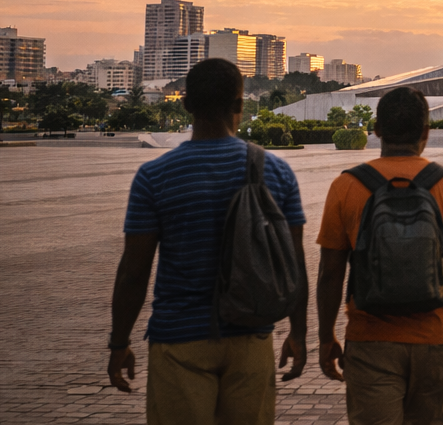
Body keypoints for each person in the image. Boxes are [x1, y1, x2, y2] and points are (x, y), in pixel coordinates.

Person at [108, 58, 308, 425]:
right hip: (251, 336)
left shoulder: (154, 176)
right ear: (239, 105)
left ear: (185, 103)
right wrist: (298, 333)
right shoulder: (276, 172)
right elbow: (294, 264)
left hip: (179, 339)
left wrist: (119, 342)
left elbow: (134, 272)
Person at [315, 87, 443, 425]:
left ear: (376, 129)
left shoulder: (346, 186)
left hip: (371, 339)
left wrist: (325, 336)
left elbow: (330, 272)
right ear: (425, 131)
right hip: (436, 338)